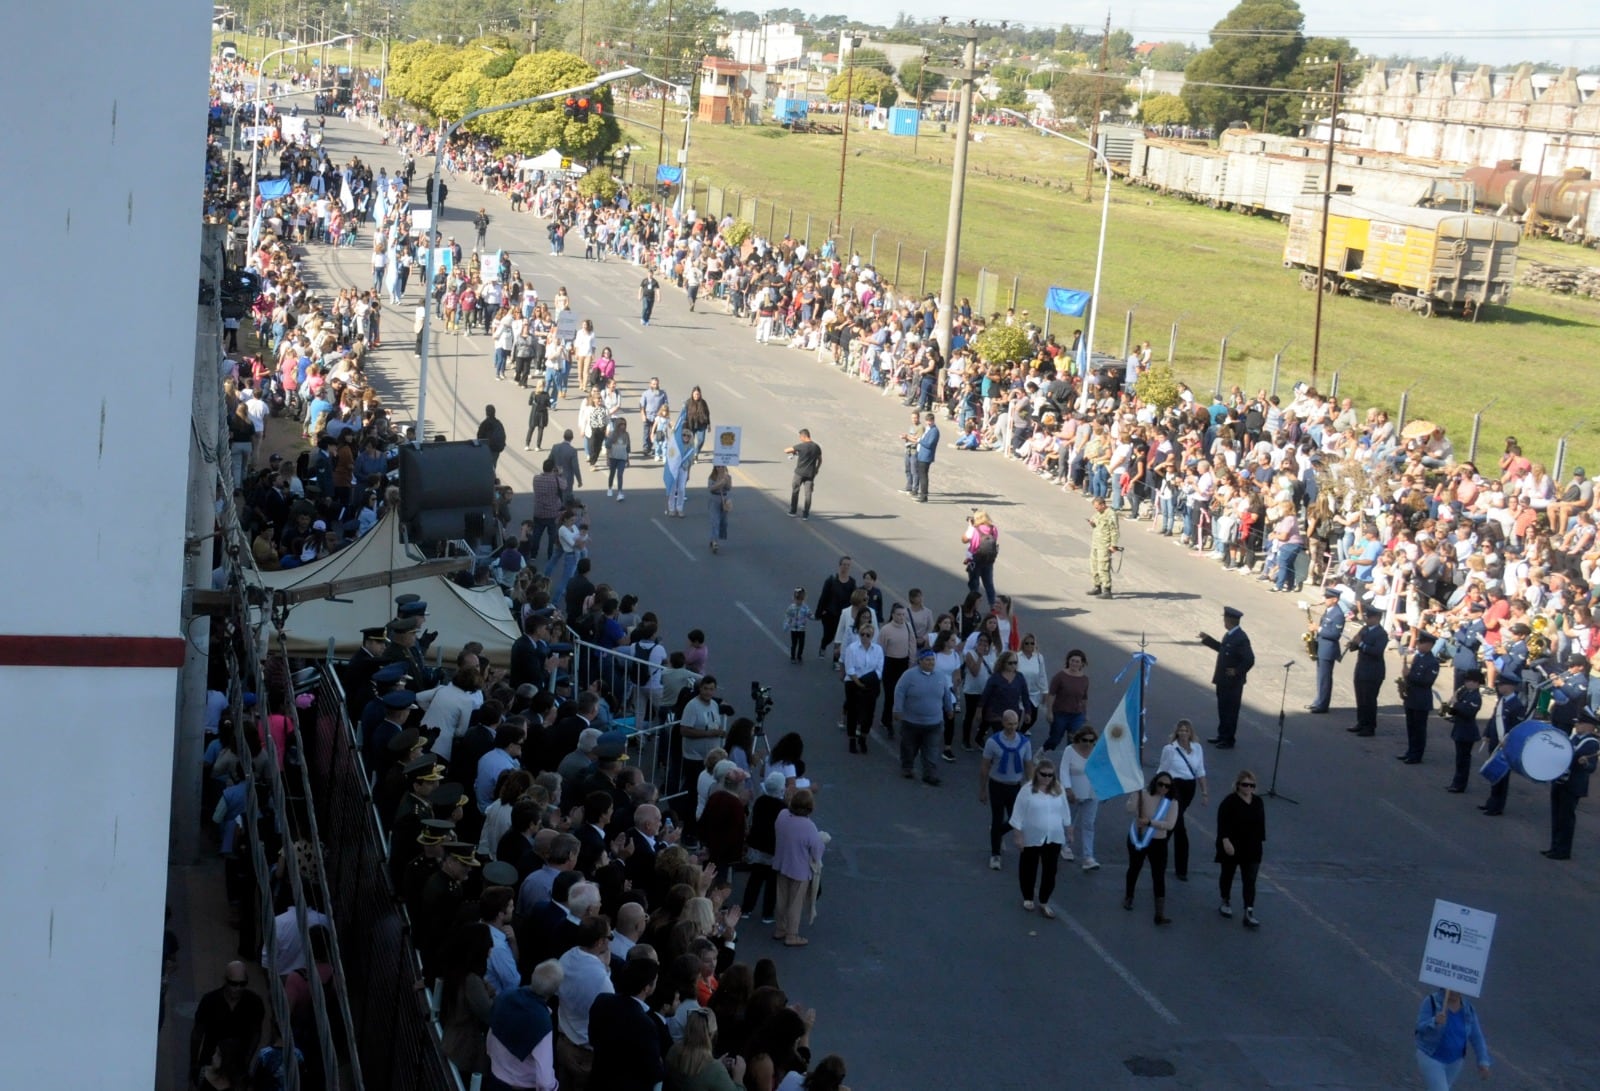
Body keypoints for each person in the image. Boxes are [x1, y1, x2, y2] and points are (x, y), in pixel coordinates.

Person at [587, 958, 667, 1091]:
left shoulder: (602, 1001)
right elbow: (654, 1070)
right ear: (646, 988)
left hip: (598, 1081)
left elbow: (593, 1037)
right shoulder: (645, 1024)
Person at [1010, 757, 1072, 918]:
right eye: (1043, 774)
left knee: (1050, 870)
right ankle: (1028, 897)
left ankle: (1044, 900)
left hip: (1054, 836)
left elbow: (1065, 810)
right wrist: (1018, 836)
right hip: (1032, 835)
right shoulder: (1027, 790)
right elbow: (1017, 813)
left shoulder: (1059, 789)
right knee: (1028, 867)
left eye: (1050, 775)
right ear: (1037, 773)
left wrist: (1069, 830)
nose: (1046, 778)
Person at [189, 962, 266, 1087]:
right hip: (210, 1059)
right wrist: (194, 1064)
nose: (238, 988)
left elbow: (256, 1033)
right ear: (226, 980)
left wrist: (247, 1061)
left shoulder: (254, 1003)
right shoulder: (210, 1001)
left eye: (242, 984)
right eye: (234, 983)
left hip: (237, 1064)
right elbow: (197, 1033)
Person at [979, 710, 1033, 871]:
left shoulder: (1024, 743)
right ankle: (995, 854)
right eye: (1009, 723)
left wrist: (1030, 786)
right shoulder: (993, 742)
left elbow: (1028, 765)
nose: (1012, 727)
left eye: (1015, 724)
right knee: (997, 817)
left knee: (1016, 819)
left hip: (1015, 786)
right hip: (997, 784)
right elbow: (985, 766)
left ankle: (997, 832)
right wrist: (982, 789)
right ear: (1003, 723)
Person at [894, 646, 955, 785]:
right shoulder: (909, 675)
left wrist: (949, 709)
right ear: (920, 661)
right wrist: (897, 710)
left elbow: (946, 694)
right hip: (911, 721)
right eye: (927, 660)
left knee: (932, 750)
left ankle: (930, 774)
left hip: (934, 722)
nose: (931, 662)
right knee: (909, 747)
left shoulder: (940, 676)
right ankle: (907, 767)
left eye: (933, 660)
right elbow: (900, 692)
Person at [773, 789, 826, 947]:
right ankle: (792, 934)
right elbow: (817, 852)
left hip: (782, 863)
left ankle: (780, 928)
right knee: (795, 903)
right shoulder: (809, 826)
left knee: (781, 899)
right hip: (800, 869)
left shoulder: (782, 815)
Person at [1123, 772, 1178, 924]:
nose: (1163, 788)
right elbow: (1129, 808)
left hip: (1158, 842)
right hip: (1138, 838)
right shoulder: (1144, 794)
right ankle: (1129, 896)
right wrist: (1136, 793)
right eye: (1161, 784)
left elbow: (1170, 824)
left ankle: (1159, 913)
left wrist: (1149, 822)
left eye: (1167, 785)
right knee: (1134, 868)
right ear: (1155, 783)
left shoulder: (1172, 802)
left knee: (1159, 875)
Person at [1157, 720, 1209, 882]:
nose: (1183, 733)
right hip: (1174, 786)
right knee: (1178, 825)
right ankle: (1181, 868)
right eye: (1181, 730)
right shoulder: (1170, 749)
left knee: (1172, 825)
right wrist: (1157, 789)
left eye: (1186, 730)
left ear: (1190, 732)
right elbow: (1162, 770)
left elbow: (1200, 770)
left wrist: (1204, 792)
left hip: (1189, 787)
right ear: (1177, 732)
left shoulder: (1197, 748)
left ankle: (1157, 853)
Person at [1545, 707, 1599, 860]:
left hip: (1573, 785)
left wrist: (1584, 763)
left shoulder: (1591, 743)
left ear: (1589, 725)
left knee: (1566, 819)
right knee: (1557, 816)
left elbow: (1591, 767)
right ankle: (1554, 846)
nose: (1576, 726)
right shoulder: (1575, 738)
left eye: (1580, 724)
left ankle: (1563, 850)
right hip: (1561, 781)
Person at [1215, 769, 1266, 928]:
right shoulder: (1229, 801)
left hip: (1252, 846)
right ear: (1238, 785)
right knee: (1228, 874)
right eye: (1245, 785)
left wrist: (1259, 843)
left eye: (1252, 785)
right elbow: (1222, 823)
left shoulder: (1258, 801)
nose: (1248, 788)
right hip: (1232, 845)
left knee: (1250, 880)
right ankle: (1225, 900)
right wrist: (1225, 841)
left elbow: (1261, 824)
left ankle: (1248, 911)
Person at [1198, 606, 1254, 749]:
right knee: (1223, 709)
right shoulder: (1230, 635)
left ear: (1229, 621)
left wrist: (1236, 671)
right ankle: (1222, 735)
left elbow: (1249, 659)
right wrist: (1207, 639)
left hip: (1233, 683)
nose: (1223, 621)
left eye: (1224, 619)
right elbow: (1223, 649)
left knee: (1230, 711)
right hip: (1223, 680)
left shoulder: (1241, 638)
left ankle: (1228, 739)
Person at [1413, 988, 1491, 1089]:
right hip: (1430, 1057)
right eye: (1451, 989)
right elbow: (1420, 1027)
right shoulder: (1431, 1001)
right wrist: (1434, 1021)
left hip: (1455, 1061)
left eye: (1458, 989)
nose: (1454, 992)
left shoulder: (1468, 1009)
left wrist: (1483, 1061)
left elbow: (1477, 1037)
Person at [1479, 669, 1527, 817]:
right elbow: (1494, 719)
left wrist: (1507, 742)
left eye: (1502, 685)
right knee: (1494, 773)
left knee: (1502, 776)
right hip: (1495, 741)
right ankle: (1491, 801)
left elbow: (1516, 728)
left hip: (1504, 745)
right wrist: (1487, 734)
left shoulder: (1517, 705)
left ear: (1510, 686)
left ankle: (1497, 806)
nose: (1499, 687)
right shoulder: (1502, 700)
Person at [665, 1008, 745, 1090]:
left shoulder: (673, 1051)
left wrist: (717, 1064)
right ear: (712, 1035)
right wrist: (738, 1076)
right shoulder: (714, 1070)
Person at [840, 618, 884, 754]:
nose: (865, 637)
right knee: (853, 712)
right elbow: (850, 668)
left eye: (868, 635)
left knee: (869, 713)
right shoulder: (852, 649)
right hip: (853, 683)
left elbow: (879, 669)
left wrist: (869, 681)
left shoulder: (877, 649)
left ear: (872, 636)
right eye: (862, 634)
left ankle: (863, 737)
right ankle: (852, 740)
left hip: (870, 684)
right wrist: (859, 683)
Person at [1398, 633, 1442, 764]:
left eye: (1421, 643)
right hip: (1411, 697)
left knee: (1419, 729)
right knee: (1411, 727)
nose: (1418, 645)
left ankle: (1417, 755)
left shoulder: (1432, 662)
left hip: (1421, 699)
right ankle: (1410, 751)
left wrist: (1409, 676)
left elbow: (1427, 681)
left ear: (1429, 645)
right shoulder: (1418, 657)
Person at [1062, 727, 1100, 870]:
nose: (1088, 744)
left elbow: (1102, 770)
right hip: (1074, 793)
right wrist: (1068, 788)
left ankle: (1088, 856)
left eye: (1092, 741)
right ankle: (1065, 845)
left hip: (1092, 793)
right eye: (1085, 740)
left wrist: (1104, 790)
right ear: (1079, 739)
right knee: (1069, 820)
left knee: (1089, 824)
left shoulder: (1097, 752)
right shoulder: (1069, 751)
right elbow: (1064, 770)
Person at [1346, 605, 1388, 736]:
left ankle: (1370, 727)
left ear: (1376, 618)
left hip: (1373, 672)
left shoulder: (1381, 634)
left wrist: (1361, 644)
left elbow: (1377, 651)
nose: (1366, 619)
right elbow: (1355, 647)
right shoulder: (1365, 629)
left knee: (1369, 700)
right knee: (1360, 698)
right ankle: (1361, 722)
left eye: (1368, 617)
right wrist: (1353, 643)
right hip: (1361, 669)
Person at [1042, 649, 1090, 753]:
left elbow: (1084, 698)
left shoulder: (1084, 679)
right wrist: (1049, 712)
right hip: (1060, 713)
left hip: (1077, 715)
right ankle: (1041, 752)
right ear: (1068, 661)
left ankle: (1068, 762)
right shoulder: (1060, 676)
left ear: (1082, 663)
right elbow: (1051, 694)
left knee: (1074, 741)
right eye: (1072, 660)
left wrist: (1085, 714)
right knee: (1055, 739)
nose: (1074, 663)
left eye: (1077, 661)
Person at [1306, 586, 1346, 713]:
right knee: (1320, 677)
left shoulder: (1338, 614)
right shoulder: (1329, 610)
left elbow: (1335, 635)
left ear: (1335, 599)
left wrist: (1318, 629)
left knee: (1325, 678)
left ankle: (1323, 705)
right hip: (1322, 647)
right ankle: (1318, 701)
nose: (1325, 599)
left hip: (1328, 650)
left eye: (1328, 598)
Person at [1445, 671, 1485, 793]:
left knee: (1463, 760)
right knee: (1459, 759)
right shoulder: (1466, 693)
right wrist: (1450, 708)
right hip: (1460, 729)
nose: (1466, 683)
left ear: (1476, 683)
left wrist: (1456, 703)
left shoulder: (1476, 697)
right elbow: (1457, 711)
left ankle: (1460, 785)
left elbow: (1468, 712)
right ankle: (1456, 782)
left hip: (1467, 732)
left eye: (1469, 681)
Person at [813, 557, 855, 660]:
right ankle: (823, 646)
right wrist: (818, 613)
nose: (845, 567)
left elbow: (854, 599)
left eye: (848, 565)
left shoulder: (852, 583)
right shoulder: (831, 580)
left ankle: (836, 660)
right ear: (839, 565)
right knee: (829, 636)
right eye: (844, 564)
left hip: (843, 615)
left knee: (840, 638)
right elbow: (823, 597)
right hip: (830, 614)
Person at [1086, 496, 1122, 598]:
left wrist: (1113, 545)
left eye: (1097, 507)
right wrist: (1092, 523)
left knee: (1103, 566)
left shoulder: (1111, 514)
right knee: (1094, 566)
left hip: (1105, 544)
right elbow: (1095, 524)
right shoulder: (1098, 514)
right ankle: (1097, 586)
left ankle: (1107, 590)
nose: (1096, 509)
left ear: (1103, 505)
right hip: (1096, 543)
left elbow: (1114, 530)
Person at [962, 510, 1000, 607]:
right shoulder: (993, 529)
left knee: (974, 584)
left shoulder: (974, 529)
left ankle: (973, 605)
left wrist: (970, 526)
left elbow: (964, 540)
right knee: (989, 584)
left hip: (975, 560)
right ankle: (993, 605)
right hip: (988, 560)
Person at [784, 428, 822, 520]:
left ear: (803, 436)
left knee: (795, 491)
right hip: (810, 474)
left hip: (799, 473)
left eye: (800, 437)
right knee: (808, 494)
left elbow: (786, 450)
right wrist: (816, 469)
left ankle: (793, 511)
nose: (800, 439)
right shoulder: (816, 447)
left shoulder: (801, 446)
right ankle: (805, 515)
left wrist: (794, 451)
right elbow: (820, 460)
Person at [911, 411, 939, 502]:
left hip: (926, 456)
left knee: (923, 476)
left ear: (933, 420)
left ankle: (924, 496)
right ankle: (922, 494)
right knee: (921, 474)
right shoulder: (928, 429)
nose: (928, 423)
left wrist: (919, 440)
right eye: (927, 421)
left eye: (930, 421)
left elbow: (929, 444)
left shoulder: (934, 431)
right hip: (922, 455)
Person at [604, 418, 631, 501]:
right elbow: (607, 446)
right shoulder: (612, 434)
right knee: (612, 473)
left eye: (624, 424)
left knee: (620, 475)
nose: (623, 426)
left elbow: (627, 448)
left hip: (622, 458)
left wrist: (627, 459)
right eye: (621, 425)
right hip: (613, 457)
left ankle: (620, 493)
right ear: (617, 425)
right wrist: (607, 459)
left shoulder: (626, 435)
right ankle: (610, 488)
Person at [707, 465, 732, 554]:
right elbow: (711, 488)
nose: (719, 468)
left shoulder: (727, 476)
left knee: (723, 522)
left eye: (721, 467)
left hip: (724, 500)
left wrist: (726, 480)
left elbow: (729, 488)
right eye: (717, 467)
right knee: (715, 521)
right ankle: (715, 542)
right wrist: (720, 483)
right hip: (714, 499)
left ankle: (713, 538)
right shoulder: (712, 477)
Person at [782, 588, 811, 663]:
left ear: (803, 599)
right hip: (793, 629)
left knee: (801, 643)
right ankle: (792, 657)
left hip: (802, 629)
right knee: (794, 644)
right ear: (794, 599)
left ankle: (799, 655)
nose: (798, 601)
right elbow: (788, 616)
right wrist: (787, 624)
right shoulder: (791, 607)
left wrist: (818, 616)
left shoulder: (805, 607)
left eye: (800, 599)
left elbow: (809, 615)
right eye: (797, 599)